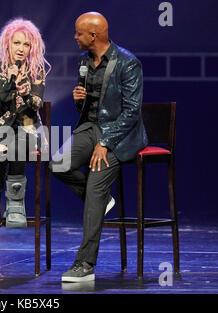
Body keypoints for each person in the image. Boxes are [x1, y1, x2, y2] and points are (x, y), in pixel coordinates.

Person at [50, 12, 147, 282]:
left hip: (119, 134)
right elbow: (88, 107)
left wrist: (105, 142)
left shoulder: (128, 63)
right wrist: (79, 99)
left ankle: (85, 264)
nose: (74, 37)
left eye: (78, 33)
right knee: (57, 164)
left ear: (93, 36)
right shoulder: (83, 62)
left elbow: (131, 112)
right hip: (90, 128)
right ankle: (103, 200)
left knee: (94, 187)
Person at [0, 18, 50, 228]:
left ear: (32, 47)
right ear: (7, 44)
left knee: (19, 141)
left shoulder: (36, 71)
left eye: (26, 44)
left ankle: (15, 204)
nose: (21, 49)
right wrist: (8, 84)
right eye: (17, 43)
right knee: (2, 144)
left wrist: (26, 92)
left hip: (28, 129)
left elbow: (35, 106)